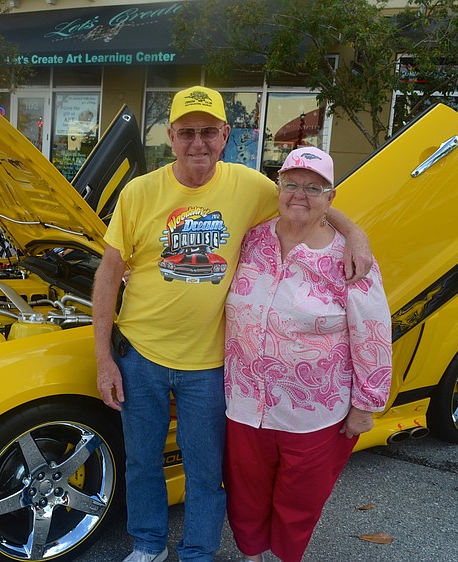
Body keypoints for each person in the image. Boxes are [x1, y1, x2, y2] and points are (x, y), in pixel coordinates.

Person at [92, 86, 373, 562]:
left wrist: (354, 233)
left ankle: (198, 551)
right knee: (142, 462)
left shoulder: (249, 186)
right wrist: (103, 358)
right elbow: (108, 273)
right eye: (186, 132)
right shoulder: (139, 192)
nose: (196, 142)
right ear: (170, 136)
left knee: (206, 468)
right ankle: (147, 544)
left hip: (211, 364)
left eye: (207, 132)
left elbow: (306, 198)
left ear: (225, 135)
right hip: (139, 354)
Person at [223, 147, 393, 562]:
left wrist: (366, 404)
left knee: (300, 499)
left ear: (331, 199)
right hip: (244, 401)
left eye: (314, 188)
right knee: (244, 491)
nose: (300, 194)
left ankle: (285, 557)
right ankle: (251, 556)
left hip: (315, 411)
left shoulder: (350, 258)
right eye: (292, 184)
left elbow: (372, 332)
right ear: (278, 188)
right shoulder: (250, 239)